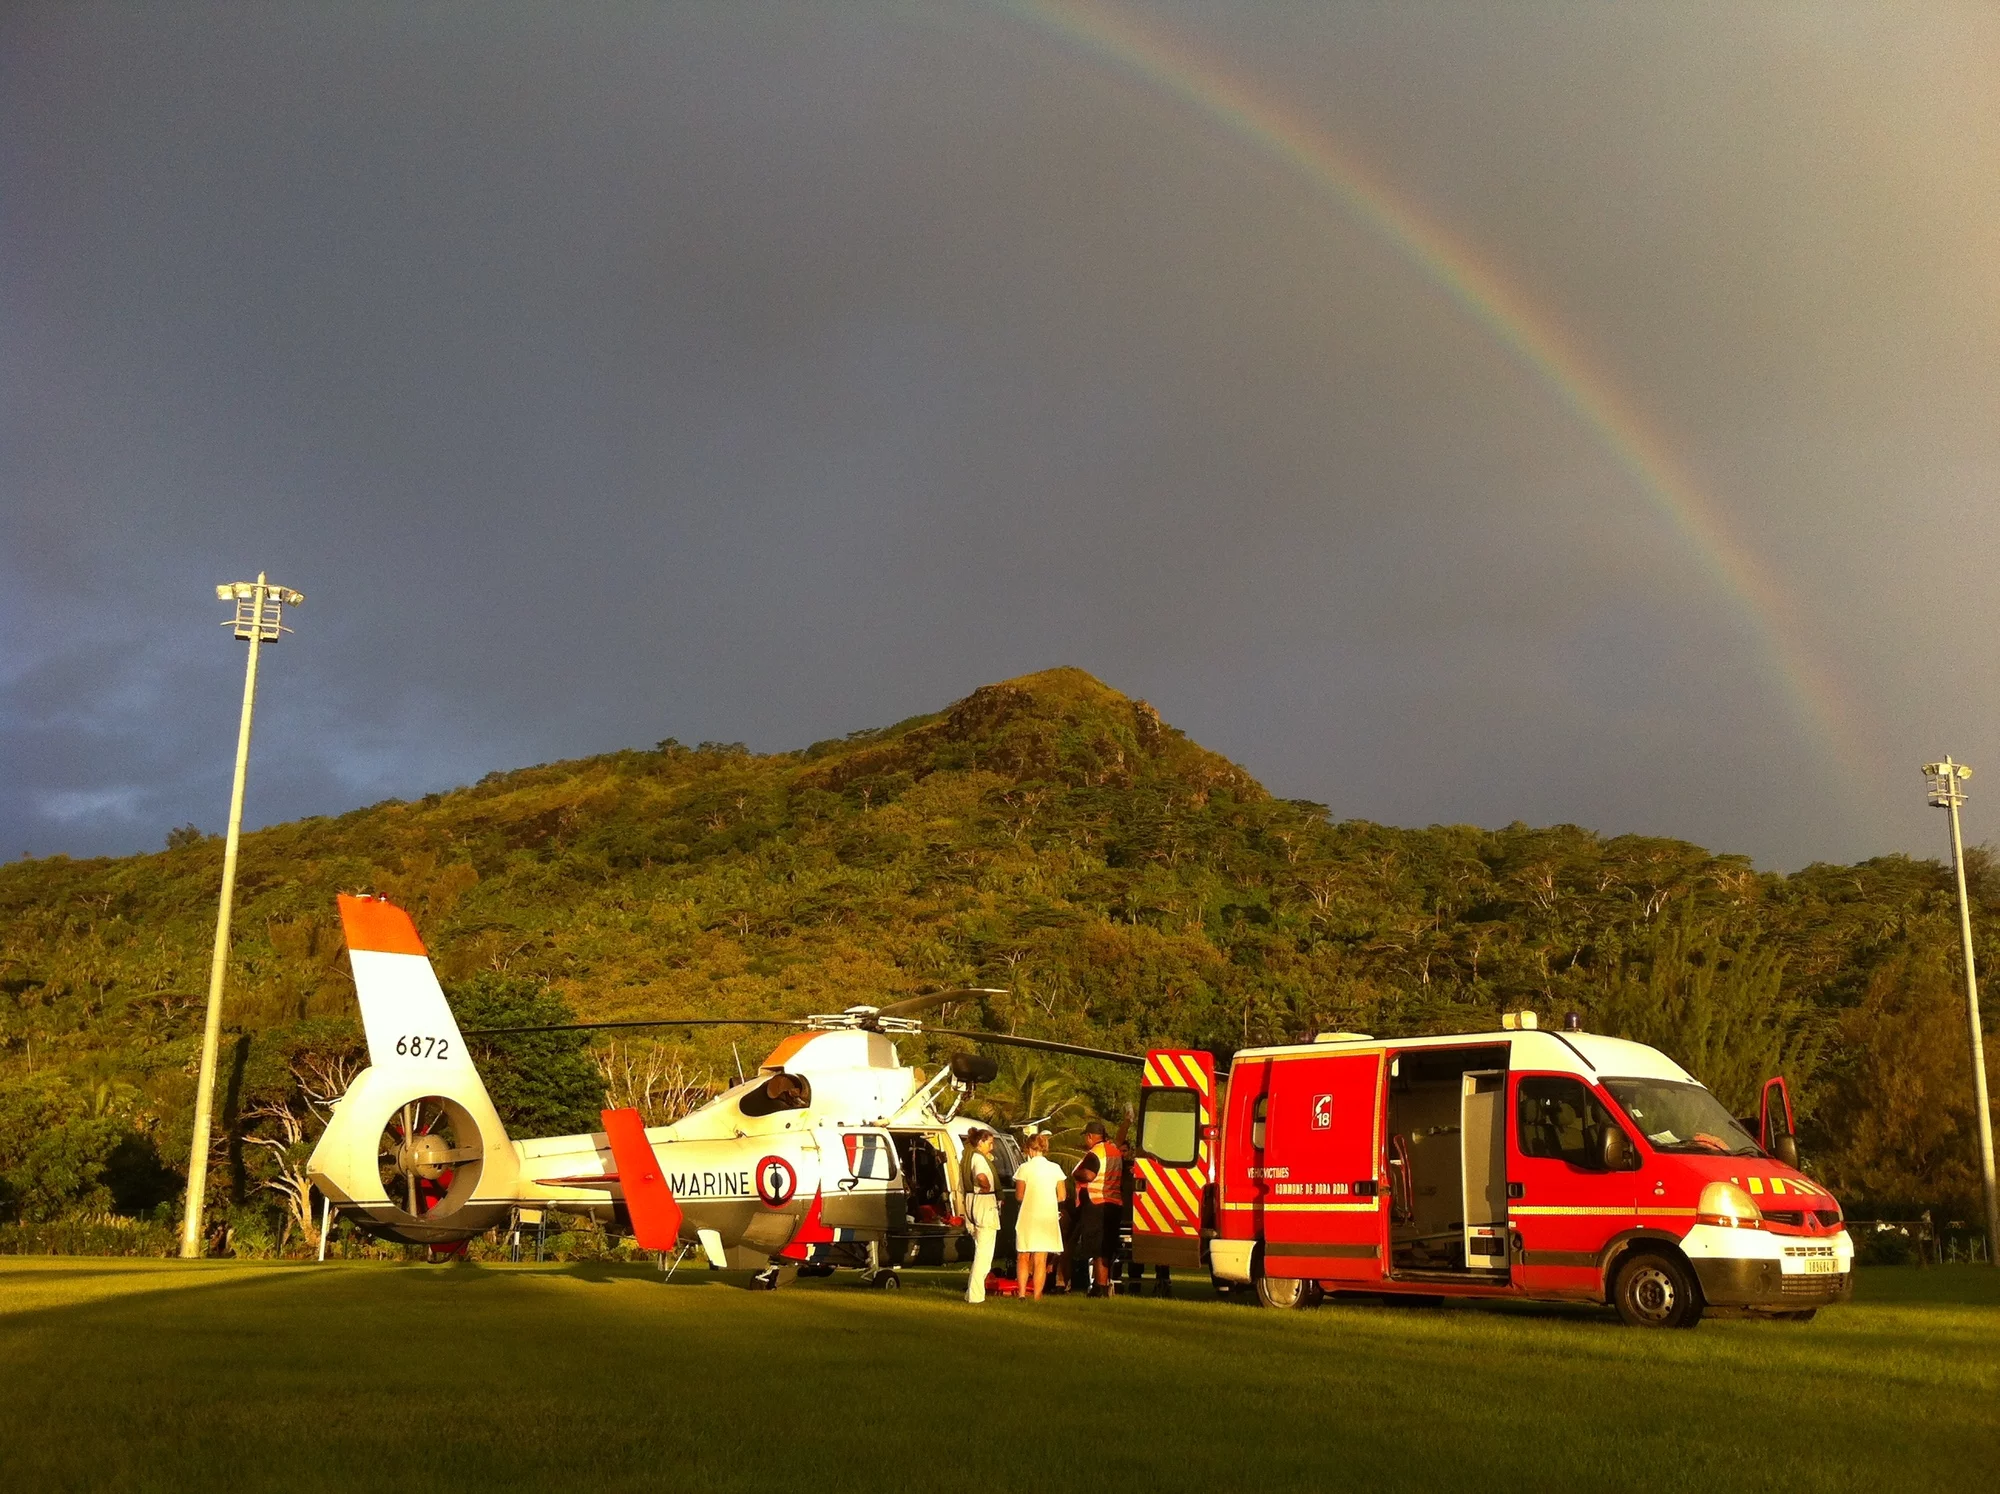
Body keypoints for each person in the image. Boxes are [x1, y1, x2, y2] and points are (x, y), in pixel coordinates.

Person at [1071, 1119, 1125, 1296]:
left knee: (1097, 1247)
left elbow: (1088, 1174)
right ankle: (1103, 1285)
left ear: (1089, 1136)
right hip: (1114, 1204)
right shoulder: (1115, 1151)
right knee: (1107, 1247)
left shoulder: (1095, 1153)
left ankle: (1099, 1287)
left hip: (1097, 1204)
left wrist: (1075, 1173)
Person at [1012, 1130, 1066, 1299]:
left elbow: (1019, 1196)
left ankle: (1021, 1293)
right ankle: (1037, 1295)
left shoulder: (1024, 1168)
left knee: (1023, 1255)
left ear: (1029, 1148)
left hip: (1028, 1214)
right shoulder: (1055, 1168)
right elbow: (1062, 1196)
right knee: (1041, 1258)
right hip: (1047, 1215)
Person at [962, 1128, 1001, 1304]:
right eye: (990, 1143)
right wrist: (985, 1186)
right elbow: (981, 1176)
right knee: (984, 1253)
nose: (991, 1147)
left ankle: (972, 1292)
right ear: (981, 1142)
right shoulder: (978, 1158)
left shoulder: (970, 1156)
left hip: (974, 1203)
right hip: (984, 1204)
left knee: (981, 1249)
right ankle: (976, 1295)